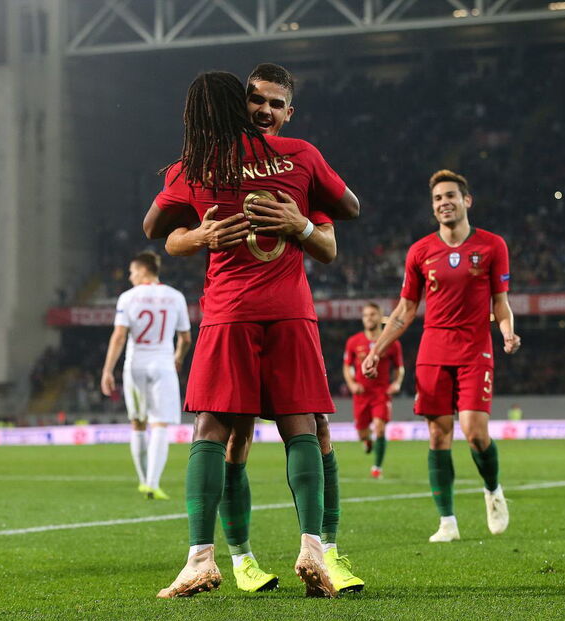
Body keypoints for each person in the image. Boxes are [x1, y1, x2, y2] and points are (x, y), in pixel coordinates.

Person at [147, 63, 364, 595]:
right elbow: (352, 209)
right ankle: (307, 549)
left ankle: (204, 557)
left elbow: (154, 229)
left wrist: (197, 233)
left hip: (229, 314)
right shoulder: (299, 157)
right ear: (241, 104)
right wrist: (298, 223)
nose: (263, 110)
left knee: (214, 434)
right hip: (288, 309)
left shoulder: (195, 166)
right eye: (254, 100)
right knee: (302, 429)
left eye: (274, 103)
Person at [362, 169, 521, 543]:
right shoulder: (420, 252)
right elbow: (404, 310)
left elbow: (501, 303)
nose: (443, 203)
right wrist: (377, 350)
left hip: (475, 348)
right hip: (433, 350)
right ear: (433, 208)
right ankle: (447, 522)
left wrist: (507, 332)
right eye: (437, 199)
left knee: (475, 432)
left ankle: (493, 489)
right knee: (437, 435)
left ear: (466, 201)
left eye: (450, 196)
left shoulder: (492, 246)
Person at [100, 252, 191, 500]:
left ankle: (142, 481)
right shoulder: (175, 297)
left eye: (132, 272)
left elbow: (119, 336)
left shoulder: (128, 298)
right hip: (163, 365)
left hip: (135, 365)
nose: (130, 277)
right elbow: (185, 338)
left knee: (138, 423)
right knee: (160, 424)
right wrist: (178, 357)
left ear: (142, 271)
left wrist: (108, 370)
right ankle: (153, 483)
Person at [343, 302, 404, 478]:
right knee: (362, 432)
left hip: (381, 393)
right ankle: (367, 441)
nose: (369, 318)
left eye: (372, 314)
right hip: (361, 393)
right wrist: (352, 384)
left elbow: (399, 367)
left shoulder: (391, 342)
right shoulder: (353, 341)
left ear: (380, 317)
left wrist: (397, 383)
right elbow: (346, 367)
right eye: (366, 315)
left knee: (380, 428)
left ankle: (377, 467)